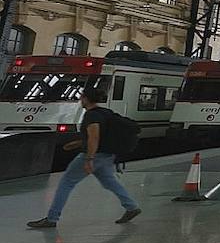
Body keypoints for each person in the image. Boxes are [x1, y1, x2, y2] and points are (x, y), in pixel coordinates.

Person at [28, 85, 141, 228]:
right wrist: (76, 144)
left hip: (94, 155)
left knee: (66, 182)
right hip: (107, 155)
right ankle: (131, 207)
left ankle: (52, 218)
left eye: (81, 97)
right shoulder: (106, 112)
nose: (80, 99)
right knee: (110, 182)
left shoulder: (91, 115)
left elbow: (94, 137)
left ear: (86, 99)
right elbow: (100, 136)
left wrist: (89, 159)